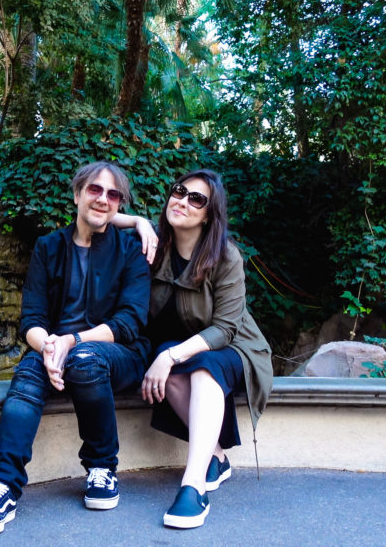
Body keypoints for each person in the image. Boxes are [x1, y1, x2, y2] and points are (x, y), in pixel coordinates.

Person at [0, 162, 151, 535]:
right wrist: (49, 347)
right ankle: (1, 486)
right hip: (56, 349)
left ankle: (102, 467)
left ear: (120, 205)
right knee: (28, 375)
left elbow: (129, 323)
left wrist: (72, 341)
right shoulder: (49, 247)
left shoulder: (131, 251)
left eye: (113, 194)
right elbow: (31, 319)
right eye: (94, 190)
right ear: (77, 194)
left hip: (119, 353)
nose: (103, 199)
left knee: (83, 359)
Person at [113, 168, 273, 529]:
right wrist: (139, 220)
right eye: (179, 191)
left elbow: (226, 329)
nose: (182, 201)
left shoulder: (225, 257)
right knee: (168, 366)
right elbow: (102, 215)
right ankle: (216, 455)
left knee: (199, 366)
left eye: (196, 199)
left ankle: (193, 485)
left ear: (209, 214)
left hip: (236, 349)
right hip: (188, 348)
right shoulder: (155, 247)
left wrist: (170, 355)